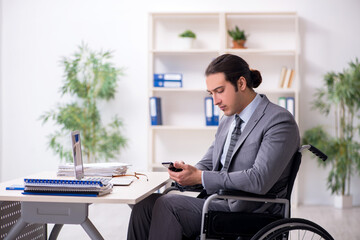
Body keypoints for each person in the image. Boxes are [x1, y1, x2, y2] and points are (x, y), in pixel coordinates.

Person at [127, 54, 300, 240]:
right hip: (217, 203)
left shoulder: (279, 120)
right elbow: (209, 163)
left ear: (241, 84)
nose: (215, 101)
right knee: (145, 205)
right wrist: (188, 172)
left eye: (220, 91)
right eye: (211, 94)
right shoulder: (227, 120)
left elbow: (259, 179)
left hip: (250, 212)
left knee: (168, 204)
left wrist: (200, 177)